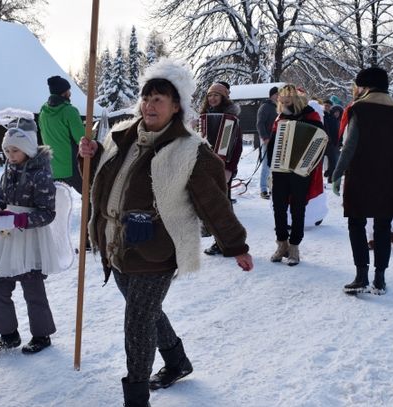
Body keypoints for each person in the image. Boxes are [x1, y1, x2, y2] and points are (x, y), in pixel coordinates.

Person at [77, 58, 253, 407]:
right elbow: (100, 179)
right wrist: (90, 155)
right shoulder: (120, 136)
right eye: (146, 97)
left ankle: (136, 397)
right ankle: (176, 361)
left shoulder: (191, 150)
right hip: (118, 246)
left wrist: (236, 245)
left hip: (156, 250)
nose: (150, 104)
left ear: (177, 106)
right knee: (146, 309)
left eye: (160, 99)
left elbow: (213, 203)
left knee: (138, 320)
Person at [332, 67, 393, 295]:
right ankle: (380, 278)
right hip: (390, 175)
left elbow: (350, 146)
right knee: (383, 226)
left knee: (357, 223)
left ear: (365, 86)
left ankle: (361, 276)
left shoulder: (360, 108)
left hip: (361, 174)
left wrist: (337, 173)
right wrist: (390, 159)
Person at [0, 109, 58, 355]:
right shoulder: (9, 169)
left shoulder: (41, 173)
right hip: (6, 238)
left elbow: (47, 212)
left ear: (28, 148)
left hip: (30, 236)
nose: (10, 155)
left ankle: (41, 335)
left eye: (15, 150)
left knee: (32, 289)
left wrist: (19, 219)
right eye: (7, 151)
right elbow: (2, 200)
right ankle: (8, 334)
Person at [266, 84, 325, 266]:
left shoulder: (311, 116)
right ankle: (281, 244)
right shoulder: (280, 118)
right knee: (279, 207)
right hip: (280, 168)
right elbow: (273, 144)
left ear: (295, 99)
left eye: (287, 98)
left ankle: (294, 247)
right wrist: (270, 160)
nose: (283, 101)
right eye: (281, 99)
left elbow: (320, 140)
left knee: (298, 209)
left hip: (301, 170)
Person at [198, 81, 244, 255]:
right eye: (209, 95)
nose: (212, 98)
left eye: (216, 95)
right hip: (206, 167)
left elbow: (237, 146)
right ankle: (222, 240)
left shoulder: (231, 118)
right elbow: (198, 142)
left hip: (224, 168)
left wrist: (229, 169)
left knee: (223, 206)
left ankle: (230, 242)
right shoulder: (204, 117)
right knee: (214, 205)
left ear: (224, 97)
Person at [38, 75, 85, 194]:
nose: (70, 93)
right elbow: (82, 139)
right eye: (69, 90)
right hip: (71, 166)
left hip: (51, 168)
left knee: (56, 203)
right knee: (89, 196)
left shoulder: (43, 112)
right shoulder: (69, 111)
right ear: (64, 93)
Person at [256, 86, 279, 199]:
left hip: (278, 140)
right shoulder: (265, 107)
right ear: (271, 95)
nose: (278, 96)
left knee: (276, 165)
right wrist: (265, 137)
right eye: (276, 94)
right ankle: (263, 189)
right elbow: (260, 123)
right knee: (266, 164)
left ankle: (273, 187)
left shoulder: (280, 107)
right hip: (268, 139)